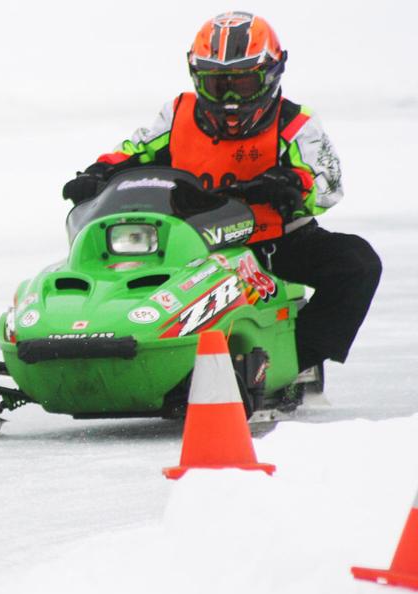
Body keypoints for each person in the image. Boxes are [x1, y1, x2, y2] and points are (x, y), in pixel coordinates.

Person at [61, 11, 380, 374]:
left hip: (272, 244)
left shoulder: (295, 123)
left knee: (357, 263)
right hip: (191, 243)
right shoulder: (177, 115)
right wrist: (98, 172)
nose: (229, 97)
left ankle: (293, 359)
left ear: (270, 76)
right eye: (217, 84)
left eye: (242, 84)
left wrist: (292, 186)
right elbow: (136, 151)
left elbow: (327, 182)